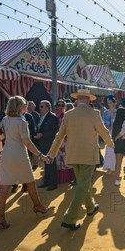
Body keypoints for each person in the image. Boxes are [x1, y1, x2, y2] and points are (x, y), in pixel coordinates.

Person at [46, 90, 113, 229]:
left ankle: (90, 206)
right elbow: (103, 132)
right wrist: (112, 145)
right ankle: (69, 218)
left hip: (72, 155)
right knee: (83, 184)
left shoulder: (69, 115)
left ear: (77, 100)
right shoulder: (94, 114)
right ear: (89, 100)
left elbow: (59, 136)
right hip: (89, 155)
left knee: (83, 183)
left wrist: (51, 154)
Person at [0, 96, 52, 230]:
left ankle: (0, 216)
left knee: (4, 188)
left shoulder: (5, 119)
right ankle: (38, 206)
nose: (26, 106)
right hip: (19, 155)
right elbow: (27, 142)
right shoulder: (21, 121)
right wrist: (40, 155)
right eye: (25, 104)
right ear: (20, 107)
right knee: (30, 183)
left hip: (6, 154)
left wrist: (0, 151)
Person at [33, 100, 60, 191]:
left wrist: (42, 135)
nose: (39, 108)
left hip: (49, 144)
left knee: (51, 164)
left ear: (48, 107)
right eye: (39, 106)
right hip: (43, 143)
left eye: (41, 106)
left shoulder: (52, 117)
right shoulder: (42, 116)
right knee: (46, 163)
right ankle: (47, 181)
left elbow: (54, 131)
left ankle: (53, 183)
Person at [54, 100, 75, 184]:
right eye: (58, 105)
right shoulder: (54, 114)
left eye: (62, 105)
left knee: (65, 157)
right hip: (56, 139)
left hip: (65, 139)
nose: (60, 106)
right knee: (58, 157)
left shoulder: (66, 116)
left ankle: (68, 176)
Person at [111, 107, 125, 186]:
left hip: (118, 144)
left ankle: (117, 180)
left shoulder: (115, 122)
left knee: (118, 163)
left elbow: (113, 135)